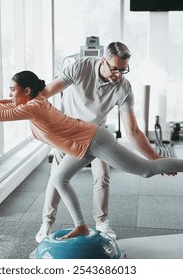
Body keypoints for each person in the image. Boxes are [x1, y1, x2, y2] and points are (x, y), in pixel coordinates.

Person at [0, 70, 183, 240]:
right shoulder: (32, 100)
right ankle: (82, 225)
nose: (10, 94)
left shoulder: (33, 106)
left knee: (146, 170)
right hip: (82, 146)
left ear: (26, 91)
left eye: (13, 89)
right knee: (58, 177)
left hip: (96, 140)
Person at [35, 42, 160, 243]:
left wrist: (155, 159)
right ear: (103, 60)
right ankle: (47, 223)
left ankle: (101, 222)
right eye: (114, 69)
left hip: (96, 134)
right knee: (56, 178)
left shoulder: (124, 87)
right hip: (67, 130)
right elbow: (47, 91)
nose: (118, 74)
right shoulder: (79, 67)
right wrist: (25, 106)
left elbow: (133, 130)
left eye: (123, 70)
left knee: (102, 175)